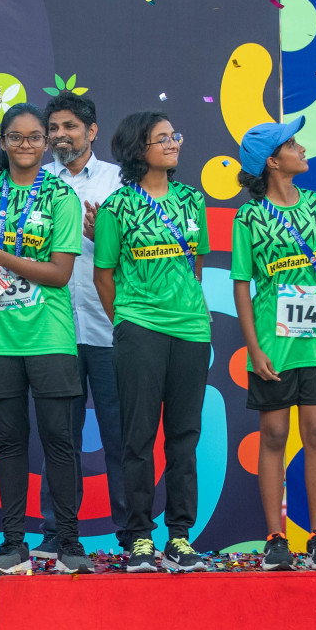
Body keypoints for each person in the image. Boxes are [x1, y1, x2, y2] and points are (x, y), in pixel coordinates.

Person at [0, 103, 83, 575]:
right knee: (9, 443)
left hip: (51, 336)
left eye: (35, 137)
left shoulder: (60, 195)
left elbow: (59, 273)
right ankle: (13, 543)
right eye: (17, 137)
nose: (26, 145)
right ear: (3, 142)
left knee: (59, 441)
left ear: (45, 143)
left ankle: (68, 542)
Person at [93, 111, 214, 574]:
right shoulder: (117, 206)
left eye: (174, 135)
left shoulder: (191, 200)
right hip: (138, 328)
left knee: (184, 437)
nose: (173, 143)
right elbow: (104, 274)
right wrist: (125, 321)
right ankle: (141, 537)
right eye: (162, 138)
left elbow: (194, 266)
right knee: (138, 437)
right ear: (137, 149)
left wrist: (189, 312)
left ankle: (180, 536)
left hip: (190, 330)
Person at [231, 117, 316, 572]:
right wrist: (254, 347)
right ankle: (276, 536)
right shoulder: (250, 215)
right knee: (275, 435)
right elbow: (242, 285)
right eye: (292, 144)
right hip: (274, 348)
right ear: (272, 161)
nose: (302, 148)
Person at [38, 92, 126, 565]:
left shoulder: (119, 182)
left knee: (121, 437)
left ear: (91, 131)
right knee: (59, 441)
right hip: (51, 333)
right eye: (53, 128)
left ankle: (134, 534)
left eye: (69, 127)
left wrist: (102, 236)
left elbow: (145, 251)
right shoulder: (34, 183)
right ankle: (56, 534)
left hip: (111, 330)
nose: (59, 136)